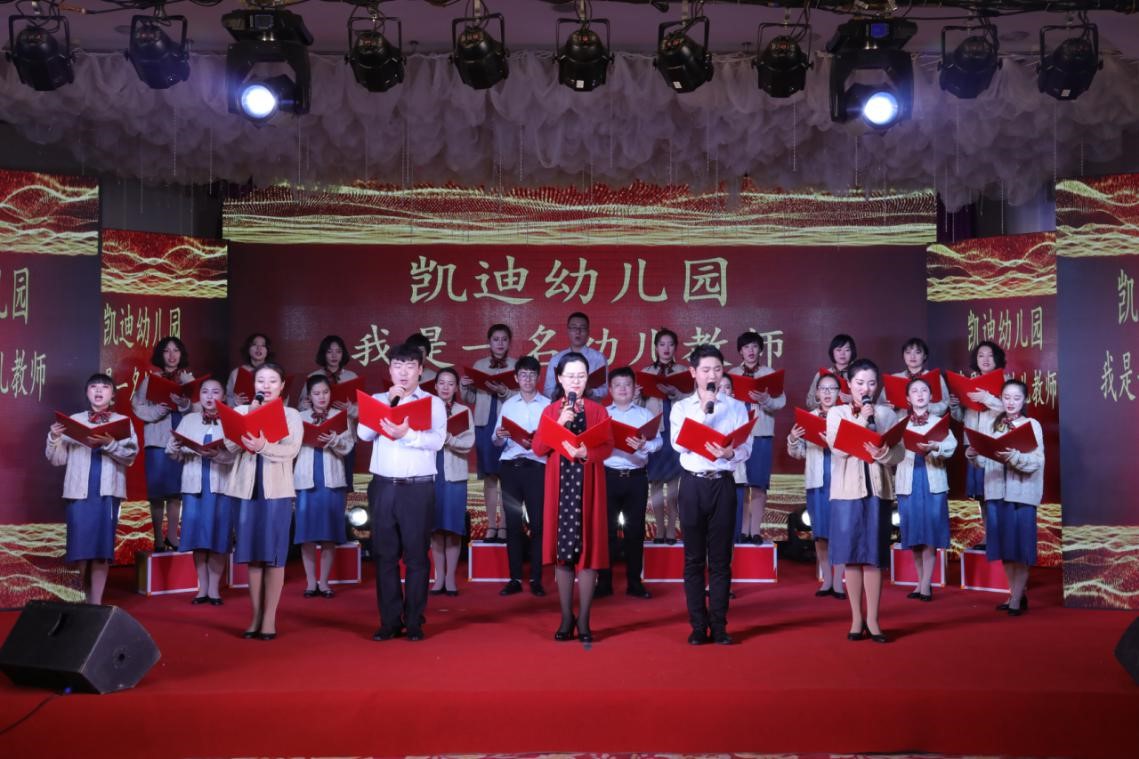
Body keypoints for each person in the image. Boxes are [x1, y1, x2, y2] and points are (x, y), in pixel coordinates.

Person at [357, 343, 446, 642]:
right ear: (390, 369)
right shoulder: (378, 400)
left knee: (417, 556)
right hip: (383, 486)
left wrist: (407, 434)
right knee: (384, 556)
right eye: (397, 365)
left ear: (420, 370)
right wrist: (388, 404)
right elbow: (363, 434)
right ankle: (389, 621)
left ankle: (415, 620)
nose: (403, 372)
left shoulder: (433, 403)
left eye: (409, 366)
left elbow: (437, 441)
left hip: (417, 488)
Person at [670, 345, 752, 645]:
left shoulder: (736, 407)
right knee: (693, 559)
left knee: (720, 559)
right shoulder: (682, 408)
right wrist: (705, 410)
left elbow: (746, 447)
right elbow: (679, 445)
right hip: (692, 485)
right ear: (693, 372)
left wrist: (732, 454)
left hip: (723, 484)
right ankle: (697, 625)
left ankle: (719, 625)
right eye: (705, 370)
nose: (712, 375)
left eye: (717, 369)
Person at [532, 352, 614, 643]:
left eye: (581, 376)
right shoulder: (551, 410)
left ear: (588, 378)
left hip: (588, 484)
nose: (576, 381)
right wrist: (560, 422)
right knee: (562, 552)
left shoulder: (597, 410)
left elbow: (608, 447)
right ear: (559, 378)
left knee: (588, 552)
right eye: (570, 376)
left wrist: (587, 453)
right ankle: (566, 617)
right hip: (561, 486)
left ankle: (585, 620)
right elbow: (538, 448)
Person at [825, 358, 903, 644]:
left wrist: (884, 454)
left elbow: (900, 453)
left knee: (873, 556)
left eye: (871, 383)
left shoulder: (886, 414)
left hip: (878, 491)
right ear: (849, 384)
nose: (865, 388)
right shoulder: (837, 413)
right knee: (851, 555)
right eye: (859, 383)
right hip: (847, 492)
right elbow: (838, 447)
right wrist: (861, 420)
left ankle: (873, 619)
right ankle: (856, 618)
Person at [224, 363, 303, 641]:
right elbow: (229, 446)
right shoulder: (241, 410)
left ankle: (269, 618)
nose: (265, 386)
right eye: (260, 381)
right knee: (252, 555)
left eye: (272, 381)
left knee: (274, 555)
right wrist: (247, 424)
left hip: (276, 492)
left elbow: (291, 450)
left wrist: (263, 446)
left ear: (282, 386)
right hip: (245, 490)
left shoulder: (291, 414)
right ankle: (255, 615)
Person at [46, 373, 139, 604]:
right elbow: (57, 459)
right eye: (94, 387)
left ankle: (95, 603)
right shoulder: (73, 420)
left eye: (104, 387)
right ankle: (81, 599)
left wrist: (110, 444)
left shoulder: (123, 422)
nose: (98, 391)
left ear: (113, 394)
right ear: (87, 392)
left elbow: (130, 457)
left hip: (108, 495)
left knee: (101, 550)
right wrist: (54, 437)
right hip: (78, 493)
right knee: (80, 550)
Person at [966, 379, 1043, 616]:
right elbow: (985, 460)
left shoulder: (1031, 425)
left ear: (1025, 400)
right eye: (1006, 397)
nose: (1011, 402)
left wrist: (1014, 457)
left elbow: (1036, 462)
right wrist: (973, 455)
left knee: (1021, 548)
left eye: (1016, 398)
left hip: (1022, 495)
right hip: (996, 492)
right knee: (1006, 549)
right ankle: (1015, 593)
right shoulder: (993, 424)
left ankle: (1016, 598)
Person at [166, 378, 237, 605]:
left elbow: (237, 457)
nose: (209, 396)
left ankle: (214, 589)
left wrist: (217, 455)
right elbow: (175, 454)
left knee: (218, 537)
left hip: (221, 488)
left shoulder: (232, 421)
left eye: (215, 392)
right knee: (197, 537)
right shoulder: (189, 420)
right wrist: (172, 448)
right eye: (205, 392)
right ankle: (202, 588)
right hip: (194, 487)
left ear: (224, 396)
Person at [597, 367, 661, 599]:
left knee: (635, 532)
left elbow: (658, 443)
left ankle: (635, 583)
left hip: (636, 478)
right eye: (618, 385)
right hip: (608, 477)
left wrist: (644, 445)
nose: (623, 389)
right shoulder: (602, 414)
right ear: (610, 389)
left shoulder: (644, 415)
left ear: (634, 388)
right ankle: (604, 583)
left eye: (627, 384)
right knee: (606, 532)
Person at [493, 355, 550, 597]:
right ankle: (515, 578)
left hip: (537, 468)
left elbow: (554, 441)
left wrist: (538, 441)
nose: (527, 379)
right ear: (516, 378)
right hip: (511, 467)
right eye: (523, 375)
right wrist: (499, 435)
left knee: (538, 524)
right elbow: (496, 441)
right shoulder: (508, 405)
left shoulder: (548, 405)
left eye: (532, 374)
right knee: (513, 524)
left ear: (538, 377)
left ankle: (536, 578)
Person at [895, 377, 957, 601]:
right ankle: (920, 582)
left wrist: (935, 446)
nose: (920, 394)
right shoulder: (900, 423)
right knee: (914, 534)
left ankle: (926, 584)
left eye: (924, 391)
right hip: (908, 481)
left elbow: (951, 446)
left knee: (930, 533)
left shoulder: (939, 422)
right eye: (915, 391)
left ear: (931, 396)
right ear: (907, 398)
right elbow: (892, 451)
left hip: (932, 482)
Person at [131, 336, 195, 552]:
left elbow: (199, 409)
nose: (172, 355)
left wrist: (185, 404)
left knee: (177, 491)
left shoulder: (188, 379)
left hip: (183, 440)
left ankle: (172, 537)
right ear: (161, 355)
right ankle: (158, 538)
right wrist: (157, 411)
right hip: (158, 441)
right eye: (167, 351)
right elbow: (137, 406)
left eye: (176, 350)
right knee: (157, 492)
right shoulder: (151, 380)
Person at [294, 374, 354, 598]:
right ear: (309, 396)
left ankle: (325, 582)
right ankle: (311, 582)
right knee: (306, 535)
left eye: (325, 392)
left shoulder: (340, 416)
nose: (321, 397)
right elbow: (289, 448)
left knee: (329, 534)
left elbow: (348, 447)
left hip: (332, 481)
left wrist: (335, 440)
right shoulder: (299, 417)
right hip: (305, 480)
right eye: (317, 393)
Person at [787, 373, 845, 598]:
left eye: (832, 388)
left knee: (840, 532)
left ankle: (839, 582)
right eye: (823, 388)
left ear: (839, 393)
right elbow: (798, 453)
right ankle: (826, 580)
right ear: (817, 393)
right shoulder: (807, 418)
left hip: (842, 481)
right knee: (820, 532)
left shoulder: (847, 416)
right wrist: (793, 439)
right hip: (817, 482)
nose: (828, 393)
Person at [460, 323, 516, 544]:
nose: (500, 343)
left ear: (509, 342)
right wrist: (465, 386)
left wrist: (504, 391)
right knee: (490, 476)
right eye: (496, 339)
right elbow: (470, 399)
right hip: (484, 423)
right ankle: (491, 525)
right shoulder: (480, 365)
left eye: (504, 339)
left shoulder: (516, 366)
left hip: (507, 424)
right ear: (489, 342)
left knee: (507, 476)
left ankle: (505, 525)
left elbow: (522, 397)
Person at [728, 331, 786, 544]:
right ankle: (742, 530)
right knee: (741, 483)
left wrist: (766, 400)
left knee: (759, 484)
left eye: (754, 346)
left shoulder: (769, 373)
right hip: (738, 435)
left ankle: (755, 531)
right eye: (746, 347)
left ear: (761, 349)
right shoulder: (732, 374)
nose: (750, 351)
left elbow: (780, 403)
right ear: (740, 351)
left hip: (761, 434)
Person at [949, 341, 1007, 535]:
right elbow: (961, 417)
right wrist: (955, 405)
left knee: (997, 494)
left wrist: (986, 398)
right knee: (981, 495)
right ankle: (988, 535)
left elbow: (1009, 410)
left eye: (990, 355)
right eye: (981, 355)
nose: (985, 359)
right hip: (974, 445)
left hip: (995, 444)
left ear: (997, 358)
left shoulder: (1005, 382)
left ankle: (999, 537)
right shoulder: (970, 383)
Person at [431, 368, 475, 596]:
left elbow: (468, 443)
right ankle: (438, 577)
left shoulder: (463, 411)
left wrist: (449, 439)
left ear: (456, 387)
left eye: (450, 383)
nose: (446, 387)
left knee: (453, 527)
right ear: (435, 386)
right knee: (436, 529)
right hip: (431, 475)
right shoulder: (426, 410)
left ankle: (450, 579)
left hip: (455, 476)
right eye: (442, 383)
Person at [641, 328, 686, 545]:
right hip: (655, 432)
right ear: (656, 348)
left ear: (675, 348)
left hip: (676, 432)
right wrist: (639, 394)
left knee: (675, 485)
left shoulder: (683, 372)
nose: (666, 349)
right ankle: (659, 531)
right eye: (662, 344)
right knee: (656, 483)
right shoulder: (646, 372)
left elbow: (693, 399)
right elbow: (637, 406)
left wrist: (675, 394)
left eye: (670, 344)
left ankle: (671, 530)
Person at [542, 312, 608, 402]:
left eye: (582, 328)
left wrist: (591, 392)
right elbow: (548, 389)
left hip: (591, 406)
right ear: (568, 331)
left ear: (588, 332)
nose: (578, 331)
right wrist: (563, 394)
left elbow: (605, 389)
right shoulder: (556, 359)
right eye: (574, 327)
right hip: (563, 407)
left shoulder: (598, 358)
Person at [297, 334, 359, 410]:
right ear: (323, 354)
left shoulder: (352, 377)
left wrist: (349, 409)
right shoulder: (312, 377)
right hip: (319, 417)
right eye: (329, 352)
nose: (334, 355)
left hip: (346, 417)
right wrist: (304, 406)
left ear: (343, 354)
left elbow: (361, 409)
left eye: (338, 352)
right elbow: (300, 407)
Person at [892, 337, 951, 417]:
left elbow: (944, 404)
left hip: (929, 422)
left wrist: (924, 406)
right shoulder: (895, 378)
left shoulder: (935, 377)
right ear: (903, 355)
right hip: (900, 422)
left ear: (925, 356)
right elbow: (882, 406)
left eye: (917, 352)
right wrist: (891, 407)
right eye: (908, 352)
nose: (912, 356)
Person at [806, 333, 857, 409]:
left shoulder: (859, 375)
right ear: (832, 352)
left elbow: (869, 404)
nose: (842, 353)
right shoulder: (821, 375)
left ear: (852, 352)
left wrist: (854, 400)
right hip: (827, 415)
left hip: (851, 416)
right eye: (838, 350)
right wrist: (817, 398)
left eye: (847, 350)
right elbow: (809, 404)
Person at [225, 332, 272, 406]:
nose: (259, 348)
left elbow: (283, 398)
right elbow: (228, 397)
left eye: (263, 345)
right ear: (248, 349)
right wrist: (235, 401)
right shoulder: (236, 373)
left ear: (268, 350)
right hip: (243, 410)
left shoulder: (274, 372)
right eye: (254, 344)